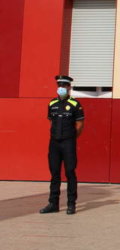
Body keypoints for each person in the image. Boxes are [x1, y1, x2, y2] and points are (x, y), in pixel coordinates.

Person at [40, 75, 84, 215]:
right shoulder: (52, 103)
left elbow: (79, 125)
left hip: (68, 143)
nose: (61, 88)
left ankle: (71, 203)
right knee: (54, 173)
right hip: (54, 143)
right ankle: (53, 203)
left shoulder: (75, 104)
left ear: (69, 87)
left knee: (70, 172)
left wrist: (70, 137)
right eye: (59, 85)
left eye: (64, 85)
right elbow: (51, 122)